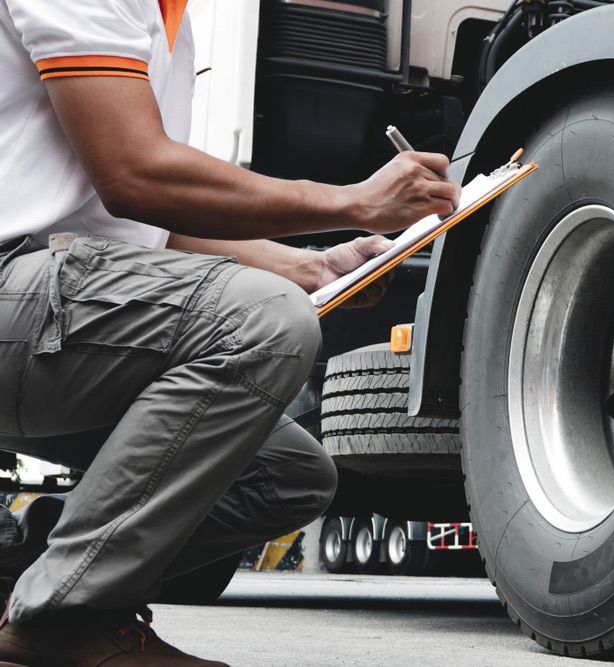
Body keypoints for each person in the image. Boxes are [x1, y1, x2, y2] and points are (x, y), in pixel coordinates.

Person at [0, 0, 461, 664]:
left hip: (48, 300)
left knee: (287, 474)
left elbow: (127, 222)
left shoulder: (169, 20)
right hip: (17, 288)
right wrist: (350, 200)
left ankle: (30, 576)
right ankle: (63, 621)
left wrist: (312, 264)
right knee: (264, 321)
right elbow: (133, 173)